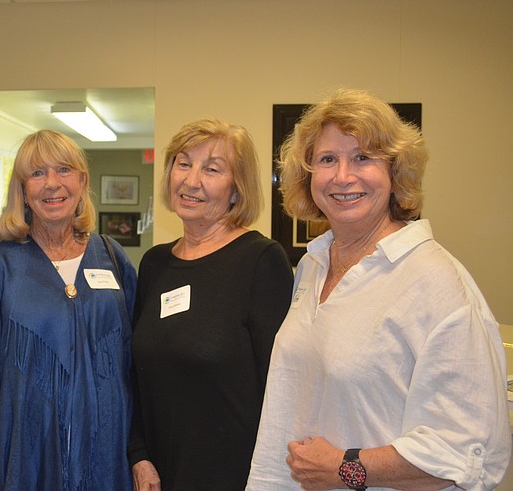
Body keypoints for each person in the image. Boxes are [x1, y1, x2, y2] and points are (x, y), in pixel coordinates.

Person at [246, 89, 511, 490]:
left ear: (395, 172)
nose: (342, 176)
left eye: (363, 158)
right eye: (327, 159)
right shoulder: (314, 266)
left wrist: (345, 467)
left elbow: (470, 449)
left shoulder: (436, 283)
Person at [0, 129, 138, 491]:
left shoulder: (113, 256)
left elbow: (137, 366)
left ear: (82, 182)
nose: (52, 184)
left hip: (107, 459)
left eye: (64, 170)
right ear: (22, 190)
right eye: (37, 173)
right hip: (26, 461)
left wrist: (141, 457)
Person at [128, 118, 293, 491]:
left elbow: (282, 387)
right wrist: (138, 454)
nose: (191, 180)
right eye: (183, 163)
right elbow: (136, 373)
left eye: (212, 169)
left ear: (237, 189)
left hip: (232, 473)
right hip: (158, 473)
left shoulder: (261, 260)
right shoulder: (155, 264)